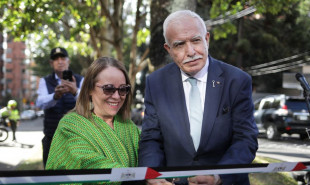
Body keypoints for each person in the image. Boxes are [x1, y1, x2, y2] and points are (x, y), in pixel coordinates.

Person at [138, 10, 258, 185]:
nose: (191, 51)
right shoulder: (156, 83)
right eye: (179, 44)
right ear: (168, 49)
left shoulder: (237, 80)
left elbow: (245, 139)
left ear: (207, 39)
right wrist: (152, 176)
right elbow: (151, 139)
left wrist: (219, 176)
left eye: (196, 40)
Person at [46, 57, 140, 185]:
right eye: (108, 88)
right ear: (90, 89)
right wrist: (130, 177)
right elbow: (88, 161)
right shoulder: (70, 125)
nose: (117, 96)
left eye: (123, 89)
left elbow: (147, 157)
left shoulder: (130, 127)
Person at [36, 47, 84, 167]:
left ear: (68, 61)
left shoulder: (80, 80)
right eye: (56, 59)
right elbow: (39, 103)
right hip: (51, 138)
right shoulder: (45, 81)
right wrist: (54, 96)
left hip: (76, 138)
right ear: (51, 63)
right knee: (51, 175)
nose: (60, 61)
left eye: (63, 58)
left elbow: (89, 104)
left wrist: (75, 91)